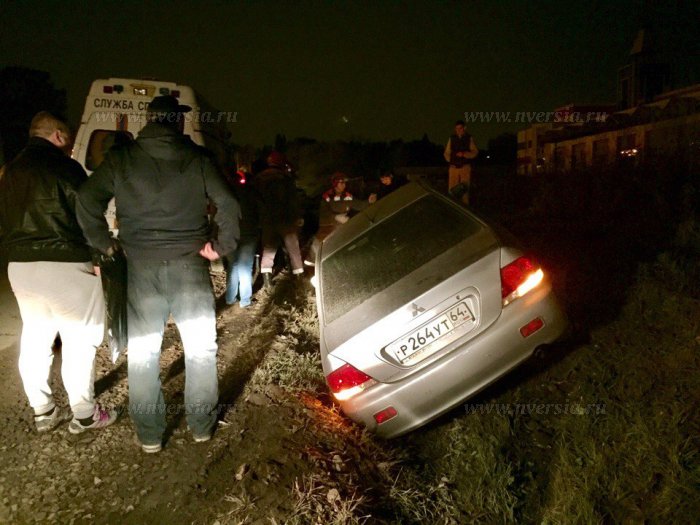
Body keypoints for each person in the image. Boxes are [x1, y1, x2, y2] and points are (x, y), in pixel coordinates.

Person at [77, 95, 240, 453]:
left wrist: (104, 243)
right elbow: (229, 203)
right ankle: (201, 426)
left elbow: (87, 199)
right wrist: (220, 246)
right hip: (190, 268)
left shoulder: (121, 159)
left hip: (141, 270)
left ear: (148, 122)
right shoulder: (198, 159)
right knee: (200, 350)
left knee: (144, 353)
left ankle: (150, 435)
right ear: (178, 122)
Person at [0, 112, 116, 434]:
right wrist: (98, 255)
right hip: (66, 263)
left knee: (36, 337)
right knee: (80, 339)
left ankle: (43, 411)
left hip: (20, 267)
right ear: (60, 137)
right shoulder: (66, 167)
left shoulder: (8, 172)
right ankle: (85, 414)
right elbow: (88, 213)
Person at [254, 151, 304, 287]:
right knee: (294, 250)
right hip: (286, 219)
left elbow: (256, 201)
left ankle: (267, 283)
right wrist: (298, 216)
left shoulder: (259, 178)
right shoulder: (286, 178)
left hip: (268, 220)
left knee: (268, 250)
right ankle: (299, 281)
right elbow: (293, 199)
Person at [306, 172, 376, 265]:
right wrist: (335, 217)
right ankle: (312, 259)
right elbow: (324, 213)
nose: (344, 185)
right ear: (335, 184)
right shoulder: (327, 196)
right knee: (320, 241)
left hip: (343, 222)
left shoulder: (347, 196)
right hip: (328, 224)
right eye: (341, 183)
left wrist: (368, 201)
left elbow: (359, 205)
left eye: (344, 183)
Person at [224, 167, 259, 308]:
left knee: (233, 266)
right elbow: (259, 210)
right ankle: (245, 301)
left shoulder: (224, 195)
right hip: (248, 234)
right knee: (245, 268)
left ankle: (230, 298)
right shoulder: (250, 192)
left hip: (228, 235)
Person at [444, 120, 478, 204]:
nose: (458, 130)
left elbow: (475, 152)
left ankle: (465, 208)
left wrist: (464, 154)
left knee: (464, 189)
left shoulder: (468, 138)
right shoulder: (452, 138)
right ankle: (452, 207)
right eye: (457, 128)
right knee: (452, 190)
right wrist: (451, 161)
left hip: (464, 167)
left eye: (460, 128)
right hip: (453, 168)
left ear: (464, 128)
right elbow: (446, 152)